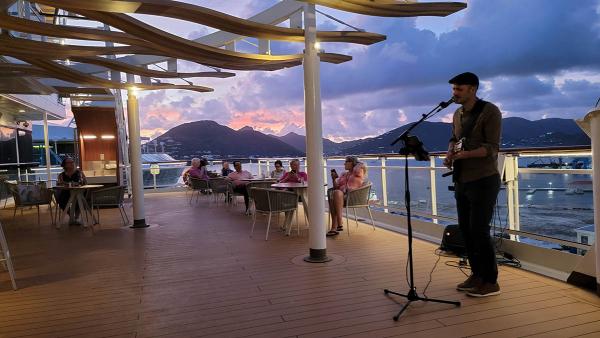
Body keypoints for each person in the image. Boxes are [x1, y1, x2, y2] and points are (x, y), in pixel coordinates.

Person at [443, 72, 502, 298]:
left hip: (484, 179)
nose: (454, 93)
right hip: (462, 179)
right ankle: (477, 275)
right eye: (453, 89)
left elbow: (492, 148)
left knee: (479, 230)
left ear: (473, 89)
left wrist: (465, 155)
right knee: (466, 231)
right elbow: (454, 138)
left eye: (459, 89)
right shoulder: (457, 114)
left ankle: (491, 281)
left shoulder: (490, 111)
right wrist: (450, 152)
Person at [327, 156, 366, 237]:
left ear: (353, 163)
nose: (344, 163)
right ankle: (338, 224)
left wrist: (356, 164)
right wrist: (333, 179)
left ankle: (336, 225)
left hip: (352, 196)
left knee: (335, 195)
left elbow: (361, 165)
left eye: (346, 162)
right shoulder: (344, 174)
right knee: (335, 193)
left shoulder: (358, 172)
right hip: (341, 196)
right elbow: (336, 187)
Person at [56, 157, 87, 224]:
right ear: (65, 165)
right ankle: (71, 215)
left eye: (72, 162)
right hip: (66, 192)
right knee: (61, 200)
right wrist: (65, 185)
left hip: (78, 192)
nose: (72, 164)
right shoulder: (61, 175)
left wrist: (77, 184)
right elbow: (59, 185)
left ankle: (77, 217)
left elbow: (84, 183)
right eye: (69, 162)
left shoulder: (79, 173)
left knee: (80, 198)